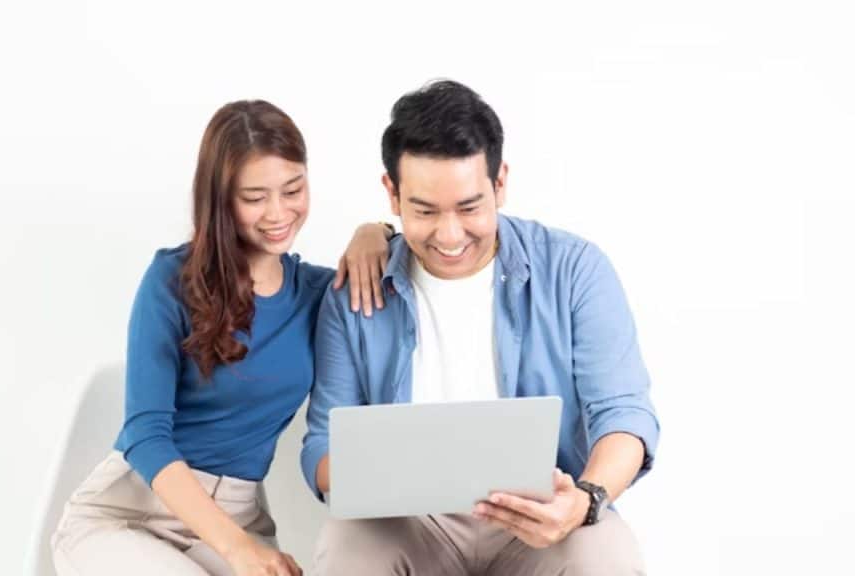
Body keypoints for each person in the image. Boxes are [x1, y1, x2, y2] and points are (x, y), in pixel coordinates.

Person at [302, 79, 660, 575]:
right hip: (408, 521)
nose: (450, 235)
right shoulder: (357, 289)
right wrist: (374, 477)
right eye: (424, 211)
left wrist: (584, 500)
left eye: (469, 208)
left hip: (542, 508)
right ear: (392, 193)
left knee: (605, 555)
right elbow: (322, 444)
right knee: (347, 544)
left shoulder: (574, 270)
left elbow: (624, 415)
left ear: (500, 183)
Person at [51, 99, 393, 576]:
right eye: (254, 198)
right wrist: (238, 551)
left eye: (293, 189)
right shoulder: (171, 279)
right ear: (221, 199)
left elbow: (411, 262)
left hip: (241, 517)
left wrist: (374, 230)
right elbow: (145, 436)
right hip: (129, 513)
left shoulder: (319, 294)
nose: (279, 212)